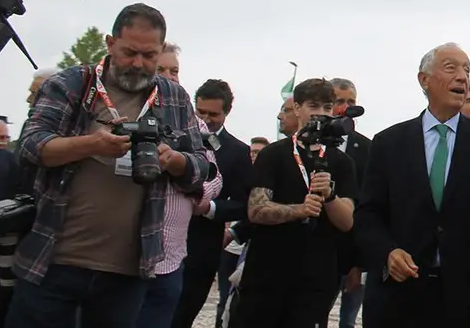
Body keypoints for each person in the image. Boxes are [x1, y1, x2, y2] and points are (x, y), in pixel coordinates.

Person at [6, 3, 212, 328]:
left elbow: (201, 169)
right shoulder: (72, 84)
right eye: (130, 52)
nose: (139, 64)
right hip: (53, 261)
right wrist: (91, 144)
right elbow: (30, 147)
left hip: (128, 272)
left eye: (149, 55)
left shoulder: (174, 97)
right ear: (110, 43)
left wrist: (172, 160)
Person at [356, 42, 470, 328]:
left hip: (467, 302)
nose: (462, 77)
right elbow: (368, 214)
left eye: (467, 69)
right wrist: (387, 252)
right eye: (451, 68)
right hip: (397, 299)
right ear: (424, 79)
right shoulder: (388, 143)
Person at [237, 78, 358, 328]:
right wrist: (298, 210)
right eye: (314, 105)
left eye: (327, 107)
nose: (321, 113)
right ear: (297, 108)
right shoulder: (274, 154)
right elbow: (256, 210)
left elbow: (347, 223)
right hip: (267, 274)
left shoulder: (342, 162)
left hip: (315, 279)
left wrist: (330, 197)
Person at [170, 80, 253, 328]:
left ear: (227, 112)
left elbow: (244, 203)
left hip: (201, 250)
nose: (206, 119)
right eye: (200, 112)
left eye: (213, 114)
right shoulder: (175, 139)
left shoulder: (238, 152)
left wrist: (209, 208)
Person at [136, 115, 224, 328]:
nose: (171, 79)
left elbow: (214, 179)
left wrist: (187, 181)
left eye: (174, 78)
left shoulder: (194, 123)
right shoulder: (118, 109)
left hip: (169, 260)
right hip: (117, 256)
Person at [328, 77, 371, 328]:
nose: (345, 106)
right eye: (339, 101)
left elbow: (368, 209)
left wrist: (360, 263)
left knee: (348, 321)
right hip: (318, 250)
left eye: (351, 101)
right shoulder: (313, 143)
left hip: (352, 252)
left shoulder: (367, 148)